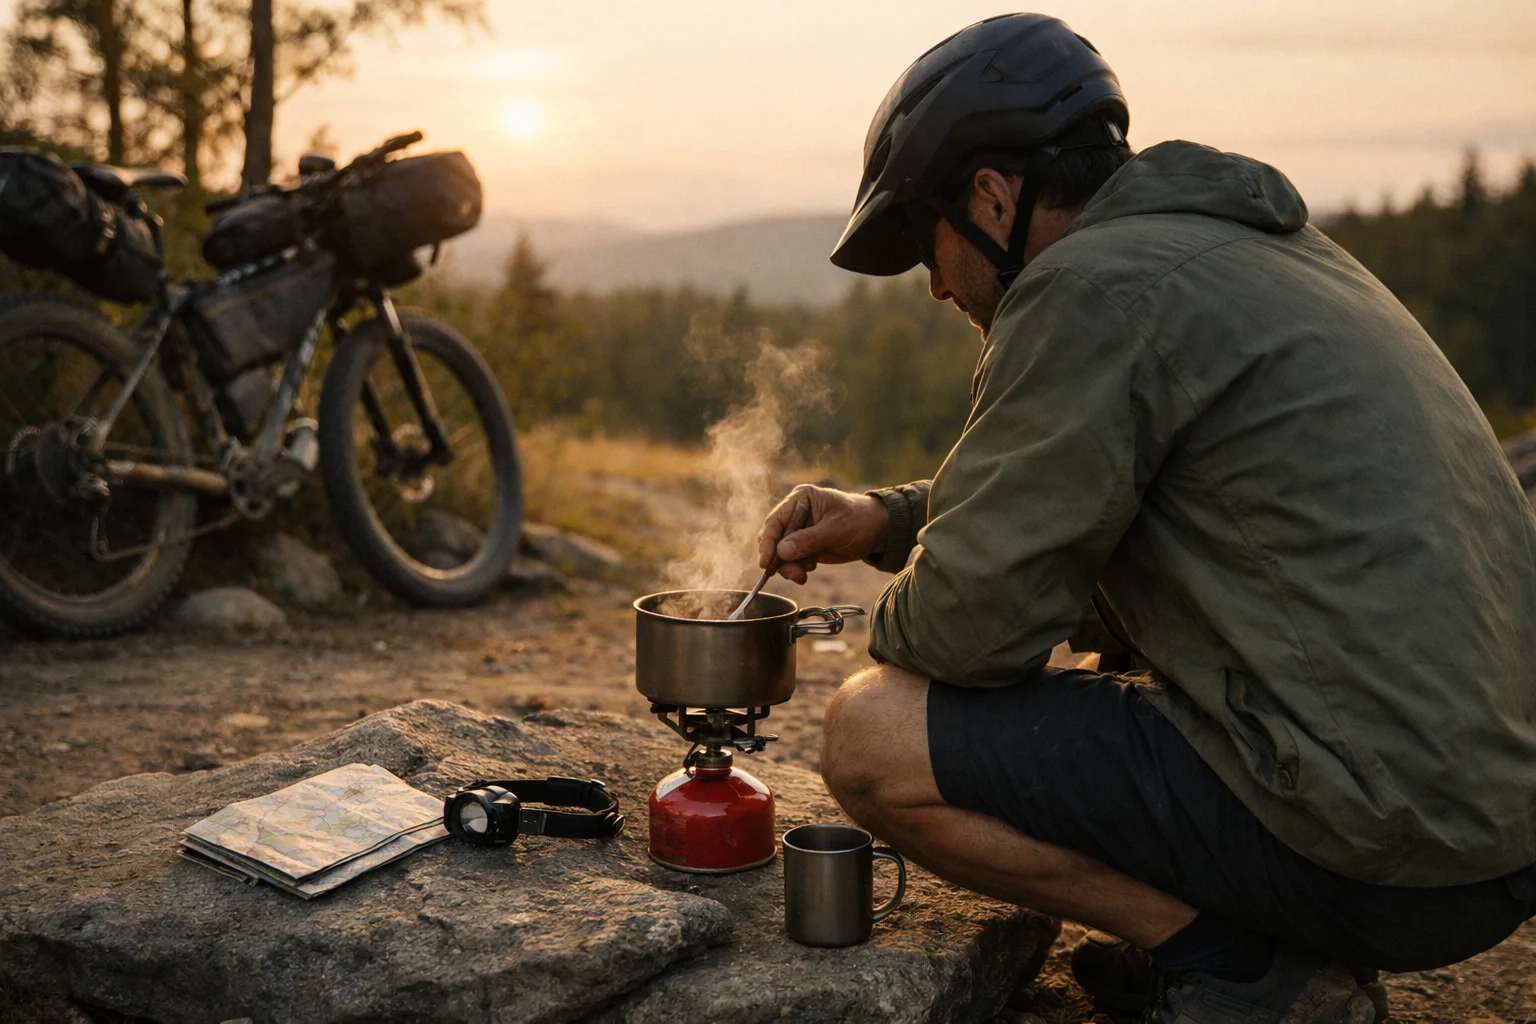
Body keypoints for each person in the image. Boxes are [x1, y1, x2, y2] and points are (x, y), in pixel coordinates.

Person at [757, 13, 1536, 1024]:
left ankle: (1238, 965)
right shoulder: (1265, 254)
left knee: (873, 730)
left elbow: (962, 631)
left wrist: (916, 600)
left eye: (927, 244)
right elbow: (1093, 493)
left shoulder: (1086, 289)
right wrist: (885, 517)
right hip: (1490, 830)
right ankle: (1254, 937)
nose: (938, 283)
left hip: (1386, 842)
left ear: (994, 197)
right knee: (1117, 673)